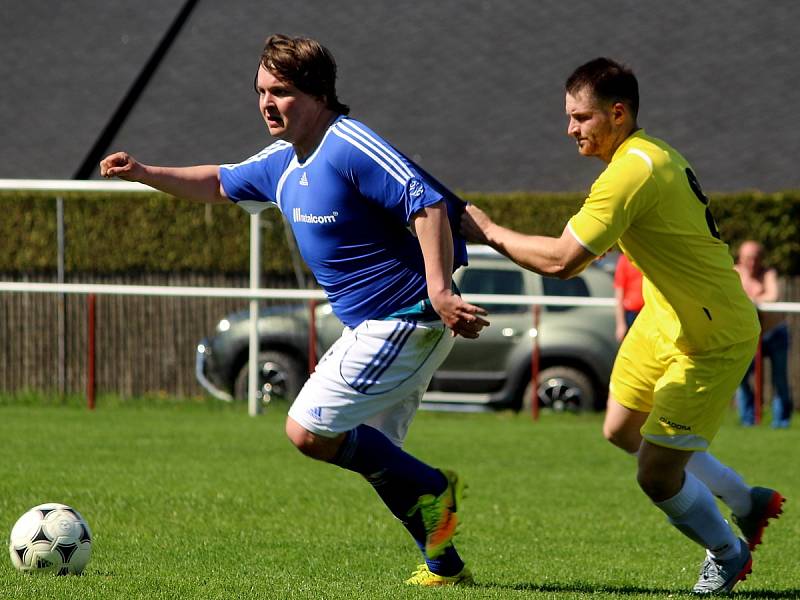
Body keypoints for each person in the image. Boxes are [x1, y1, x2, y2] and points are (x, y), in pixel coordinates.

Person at [100, 34, 488, 587]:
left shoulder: (349, 143)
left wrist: (441, 293)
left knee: (308, 429)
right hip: (387, 324)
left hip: (404, 318)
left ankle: (434, 489)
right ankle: (445, 565)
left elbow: (425, 203)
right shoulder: (284, 160)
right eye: (260, 91)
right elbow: (217, 181)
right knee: (378, 461)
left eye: (280, 91)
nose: (266, 103)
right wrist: (145, 172)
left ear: (318, 95)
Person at [461, 57, 785, 594]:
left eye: (581, 118)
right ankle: (748, 501)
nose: (570, 129)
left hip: (712, 336)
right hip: (665, 316)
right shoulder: (649, 155)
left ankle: (728, 553)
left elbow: (563, 260)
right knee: (620, 430)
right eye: (568, 117)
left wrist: (490, 230)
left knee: (656, 474)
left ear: (617, 114)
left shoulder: (632, 171)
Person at [734, 240, 793, 428]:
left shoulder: (769, 273)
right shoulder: (734, 272)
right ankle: (747, 419)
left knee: (780, 379)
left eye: (756, 258)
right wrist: (756, 296)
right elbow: (734, 297)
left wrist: (750, 298)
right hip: (747, 334)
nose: (752, 263)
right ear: (740, 258)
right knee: (740, 377)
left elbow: (773, 296)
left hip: (774, 333)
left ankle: (781, 421)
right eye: (748, 258)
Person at [613, 252, 644, 342]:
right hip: (631, 314)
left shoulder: (648, 257)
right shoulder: (624, 259)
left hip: (649, 312)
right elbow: (619, 294)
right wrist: (620, 324)